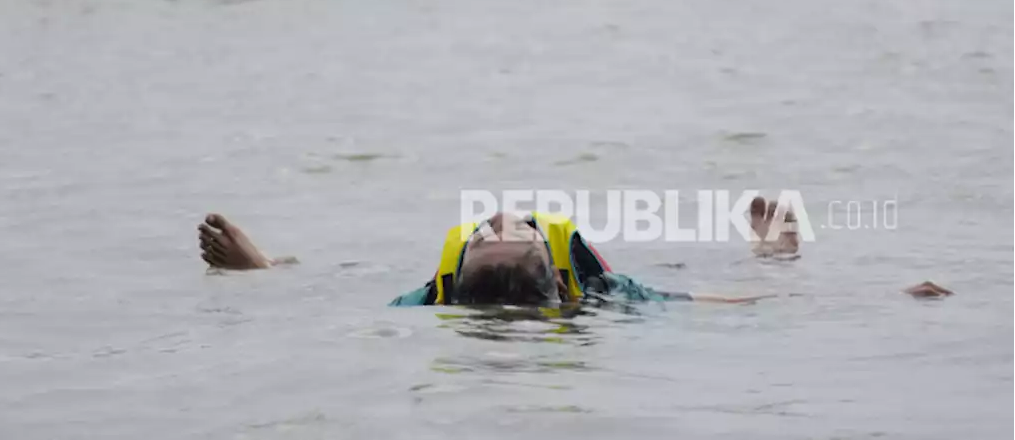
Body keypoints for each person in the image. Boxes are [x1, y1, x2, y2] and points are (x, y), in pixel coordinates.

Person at [197, 204, 953, 305]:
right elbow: (730, 308)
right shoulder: (606, 294)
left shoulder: (424, 303)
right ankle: (774, 251)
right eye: (513, 227)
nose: (499, 216)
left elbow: (328, 303)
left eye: (490, 228)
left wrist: (264, 277)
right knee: (730, 277)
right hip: (618, 290)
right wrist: (884, 297)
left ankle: (773, 248)